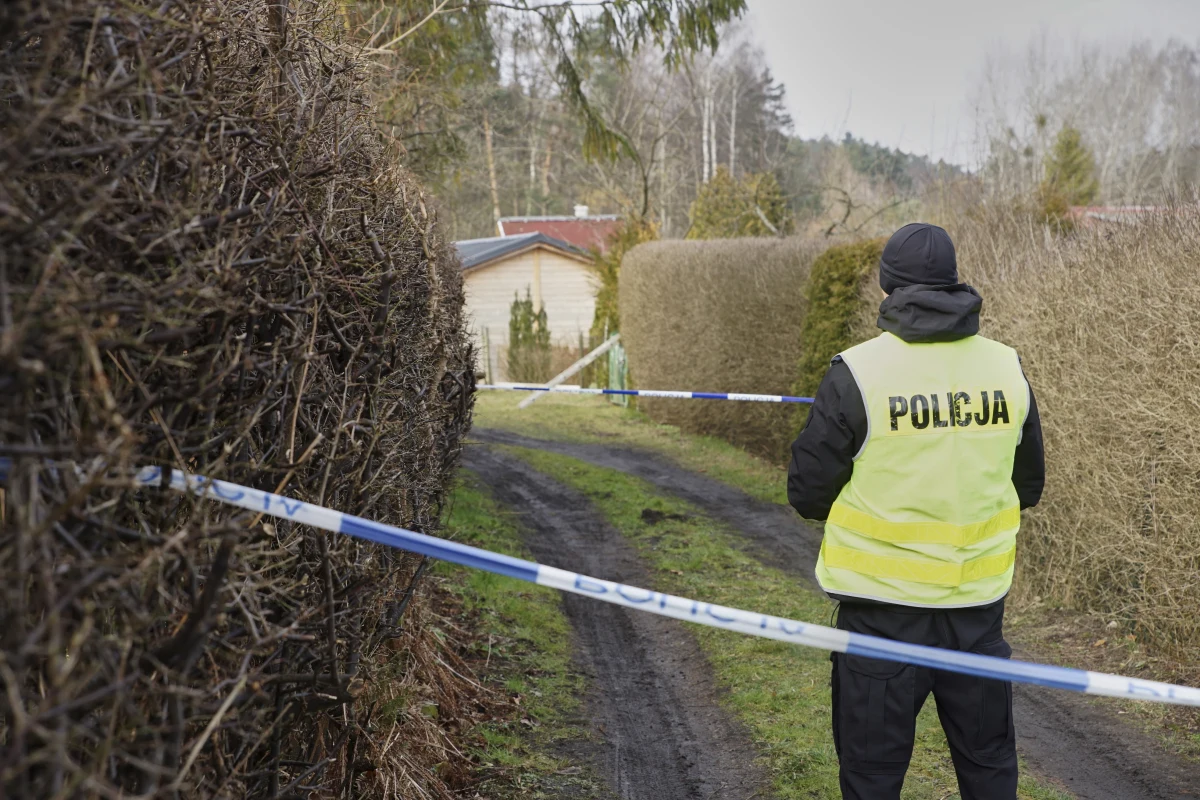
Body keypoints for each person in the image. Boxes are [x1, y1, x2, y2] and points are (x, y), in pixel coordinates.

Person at [787, 222, 1045, 800]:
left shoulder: (857, 372)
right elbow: (1028, 484)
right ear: (956, 283)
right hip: (976, 612)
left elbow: (806, 491)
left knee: (872, 775)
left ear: (887, 287)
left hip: (882, 617)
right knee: (989, 768)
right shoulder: (1007, 367)